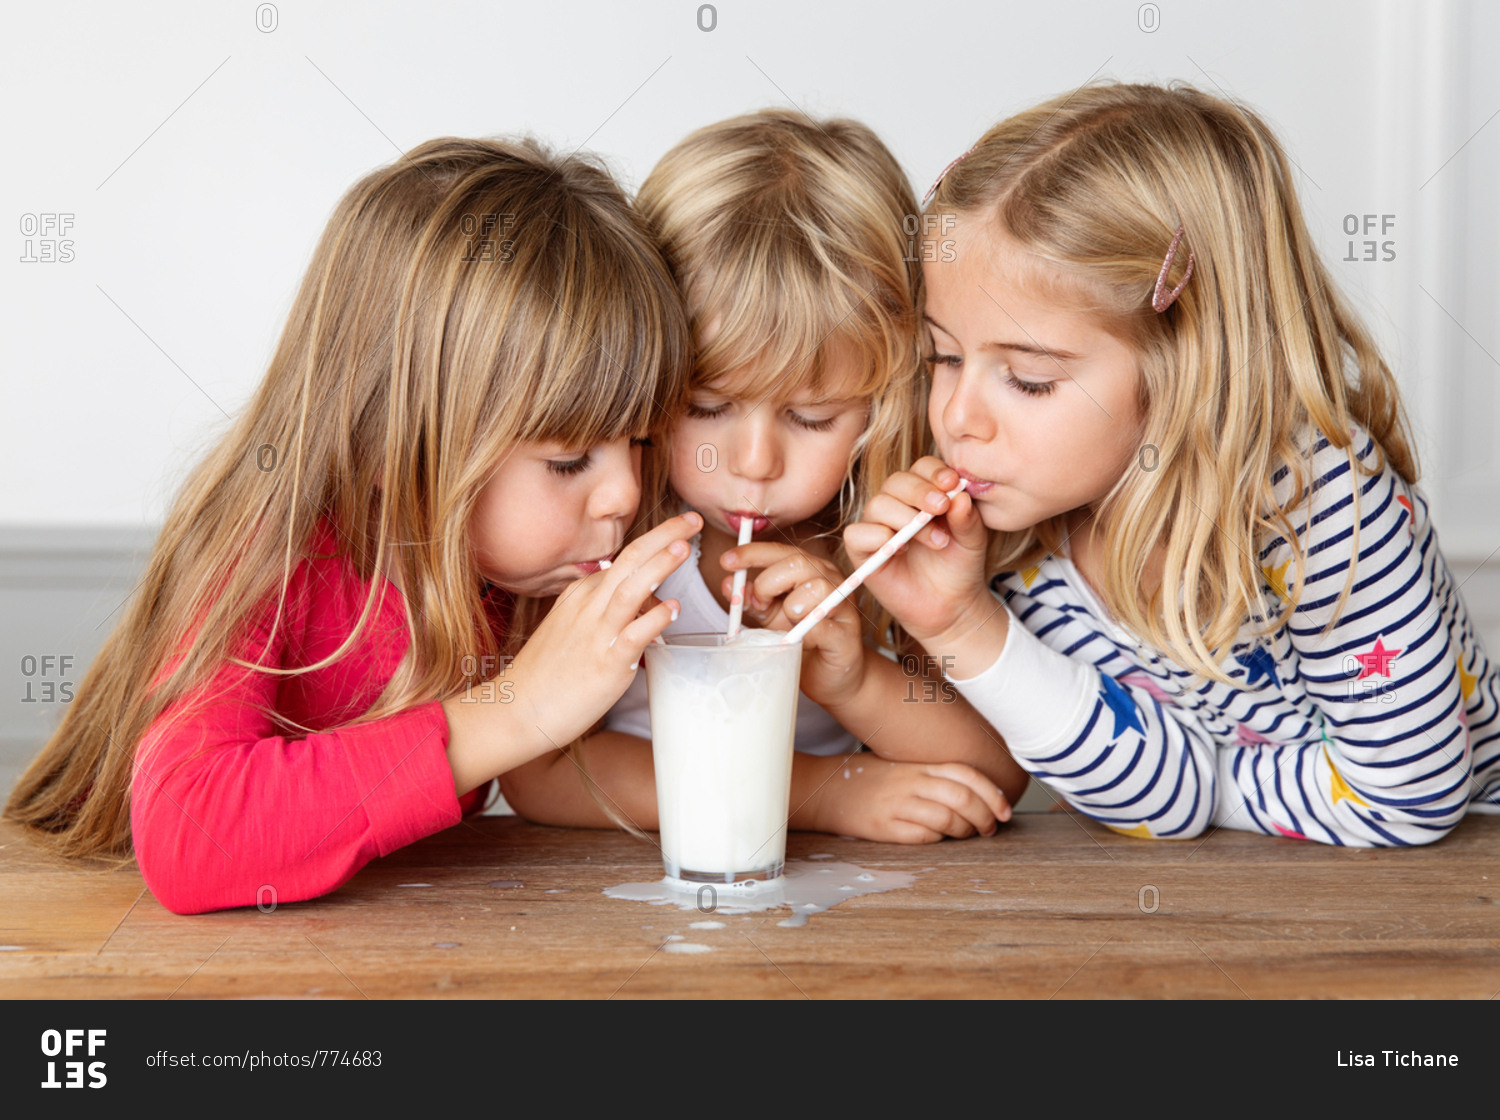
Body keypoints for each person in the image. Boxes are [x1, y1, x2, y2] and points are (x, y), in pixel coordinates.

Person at [3, 136, 704, 913]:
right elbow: (187, 837)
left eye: (640, 441)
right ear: (390, 445)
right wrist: (517, 710)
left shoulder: (521, 566)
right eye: (570, 460)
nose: (625, 493)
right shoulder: (272, 560)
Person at [849, 82, 1500, 846]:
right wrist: (962, 623)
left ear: (1189, 366)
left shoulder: (1320, 506)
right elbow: (1149, 806)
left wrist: (1203, 782)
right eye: (944, 357)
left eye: (1029, 379)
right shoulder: (1018, 543)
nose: (957, 418)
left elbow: (1408, 797)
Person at [499, 109, 1027, 843]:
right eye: (707, 407)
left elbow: (1000, 773)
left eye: (812, 418)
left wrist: (853, 683)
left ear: (887, 398)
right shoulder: (607, 536)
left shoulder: (889, 545)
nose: (753, 462)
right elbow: (538, 771)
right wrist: (821, 792)